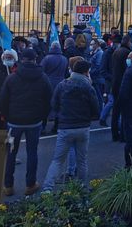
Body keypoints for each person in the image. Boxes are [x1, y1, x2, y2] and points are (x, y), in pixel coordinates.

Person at [0, 48, 52, 196]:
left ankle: (8, 185)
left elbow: (3, 100)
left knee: (10, 153)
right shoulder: (43, 78)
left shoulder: (12, 78)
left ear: (21, 60)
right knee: (32, 152)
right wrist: (43, 116)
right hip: (34, 121)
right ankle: (30, 184)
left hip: (14, 122)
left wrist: (6, 116)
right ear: (35, 60)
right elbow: (49, 100)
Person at [42, 60, 99, 192]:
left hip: (65, 126)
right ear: (86, 72)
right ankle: (82, 187)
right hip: (83, 126)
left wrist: (61, 115)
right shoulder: (88, 87)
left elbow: (54, 104)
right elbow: (96, 108)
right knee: (82, 160)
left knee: (58, 160)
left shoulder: (62, 85)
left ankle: (47, 188)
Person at [40, 42, 68, 133]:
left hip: (48, 83)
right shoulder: (64, 59)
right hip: (61, 83)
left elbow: (41, 71)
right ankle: (56, 126)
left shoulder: (46, 59)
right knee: (59, 104)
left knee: (45, 105)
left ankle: (43, 126)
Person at [111, 35, 132, 141]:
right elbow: (127, 69)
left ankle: (114, 133)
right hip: (122, 84)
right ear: (128, 42)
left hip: (115, 83)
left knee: (116, 109)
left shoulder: (117, 51)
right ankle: (124, 134)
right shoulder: (126, 53)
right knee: (125, 110)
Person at [0, 49, 18, 129]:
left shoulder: (19, 70)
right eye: (6, 58)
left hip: (13, 104)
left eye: (10, 58)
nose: (8, 59)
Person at [88, 39, 105, 115]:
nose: (91, 46)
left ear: (97, 44)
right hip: (95, 78)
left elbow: (98, 66)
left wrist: (90, 72)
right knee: (96, 96)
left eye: (92, 44)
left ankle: (100, 112)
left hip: (98, 78)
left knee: (99, 96)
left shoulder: (100, 53)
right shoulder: (94, 53)